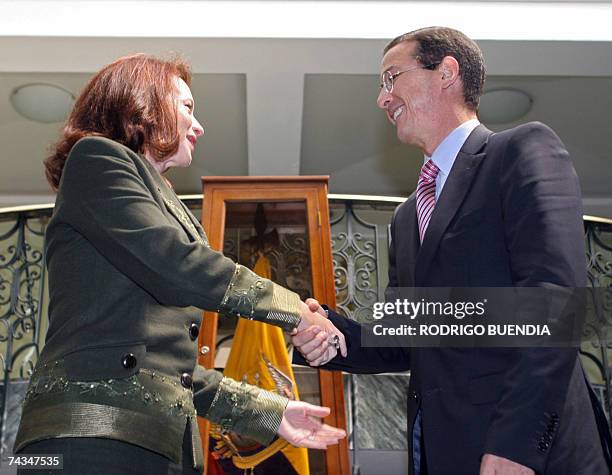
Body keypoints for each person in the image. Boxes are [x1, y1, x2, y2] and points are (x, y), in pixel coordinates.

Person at [292, 27, 612, 475]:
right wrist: (331, 335)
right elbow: (412, 335)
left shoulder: (519, 152)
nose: (382, 99)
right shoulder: (406, 218)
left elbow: (553, 305)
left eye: (391, 78)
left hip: (526, 454)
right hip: (441, 450)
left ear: (446, 72)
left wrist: (517, 446)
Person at [13, 54, 346, 474]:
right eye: (187, 107)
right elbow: (175, 263)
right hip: (91, 433)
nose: (199, 125)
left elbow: (175, 372)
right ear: (142, 106)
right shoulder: (96, 159)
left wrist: (270, 413)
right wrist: (294, 309)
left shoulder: (162, 198)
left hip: (158, 441)